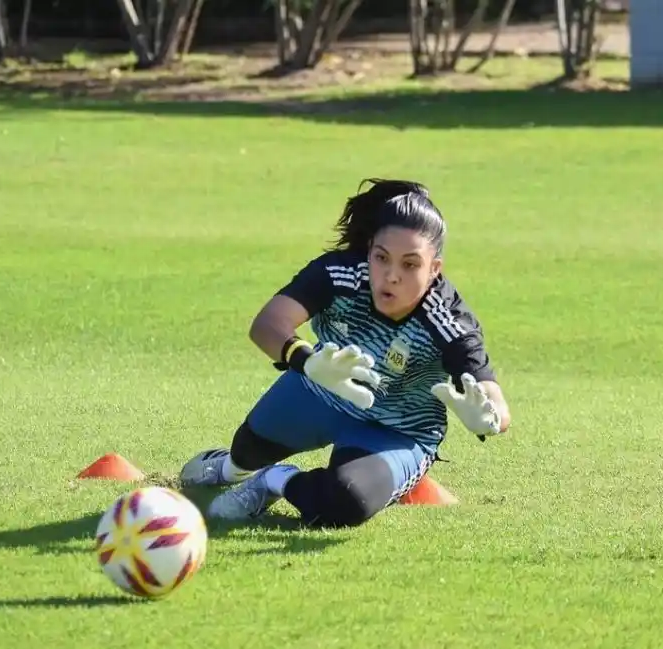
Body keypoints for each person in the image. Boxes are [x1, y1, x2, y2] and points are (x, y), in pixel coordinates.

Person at [180, 178, 511, 528]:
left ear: (434, 269)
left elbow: (494, 399)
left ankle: (275, 480)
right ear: (369, 251)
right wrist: (307, 362)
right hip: (321, 391)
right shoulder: (340, 273)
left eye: (410, 264)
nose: (391, 276)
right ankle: (229, 469)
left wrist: (488, 418)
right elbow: (267, 324)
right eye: (381, 258)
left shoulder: (449, 321)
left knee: (346, 502)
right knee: (248, 450)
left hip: (397, 431)